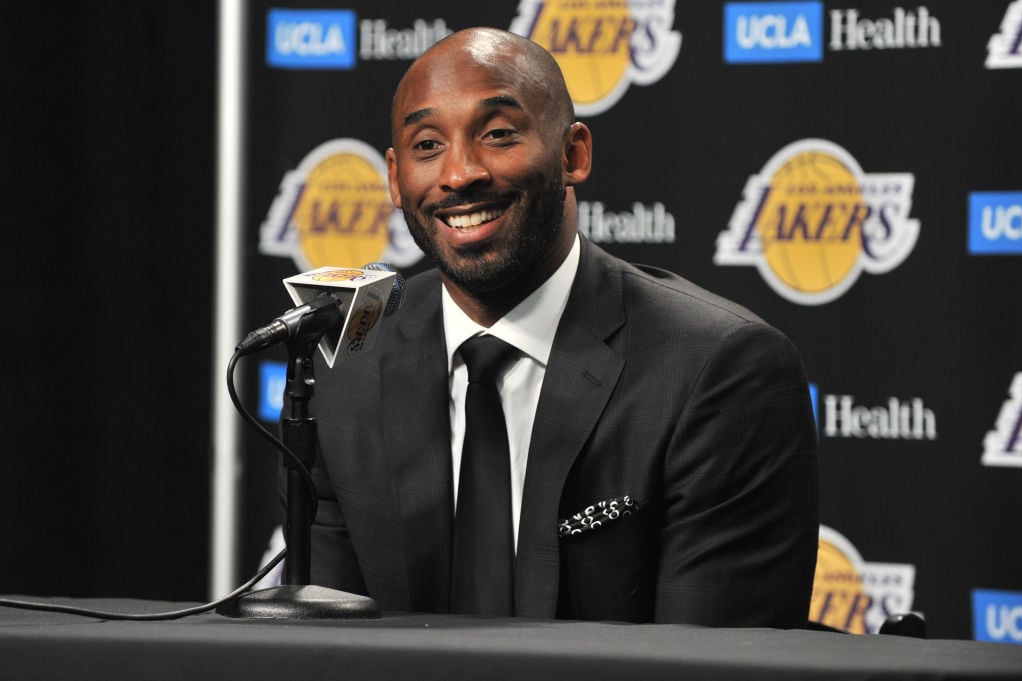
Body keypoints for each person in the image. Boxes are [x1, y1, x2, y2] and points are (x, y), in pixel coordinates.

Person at [305, 27, 819, 627]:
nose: (460, 173)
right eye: (427, 145)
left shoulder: (720, 368)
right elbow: (327, 650)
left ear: (573, 154)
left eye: (498, 134)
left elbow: (711, 663)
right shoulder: (351, 357)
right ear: (395, 179)